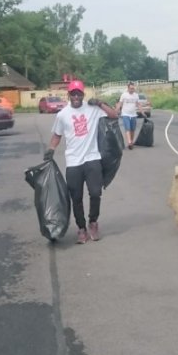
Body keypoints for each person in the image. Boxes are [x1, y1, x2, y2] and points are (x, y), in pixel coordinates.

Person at [45, 80, 119, 244]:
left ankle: (93, 222)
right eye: (73, 93)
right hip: (73, 162)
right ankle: (81, 228)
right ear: (69, 95)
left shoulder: (92, 108)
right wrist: (51, 149)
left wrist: (100, 103)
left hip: (92, 158)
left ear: (83, 94)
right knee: (75, 197)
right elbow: (57, 135)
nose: (76, 96)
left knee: (95, 193)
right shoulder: (62, 114)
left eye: (79, 93)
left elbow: (114, 115)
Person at [116, 82, 141, 150]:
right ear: (128, 88)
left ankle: (131, 142)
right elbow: (120, 103)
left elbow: (138, 104)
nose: (132, 90)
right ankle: (129, 142)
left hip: (133, 115)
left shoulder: (136, 95)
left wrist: (142, 111)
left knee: (132, 129)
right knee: (128, 128)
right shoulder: (124, 95)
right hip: (125, 114)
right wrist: (116, 111)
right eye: (131, 88)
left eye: (133, 88)